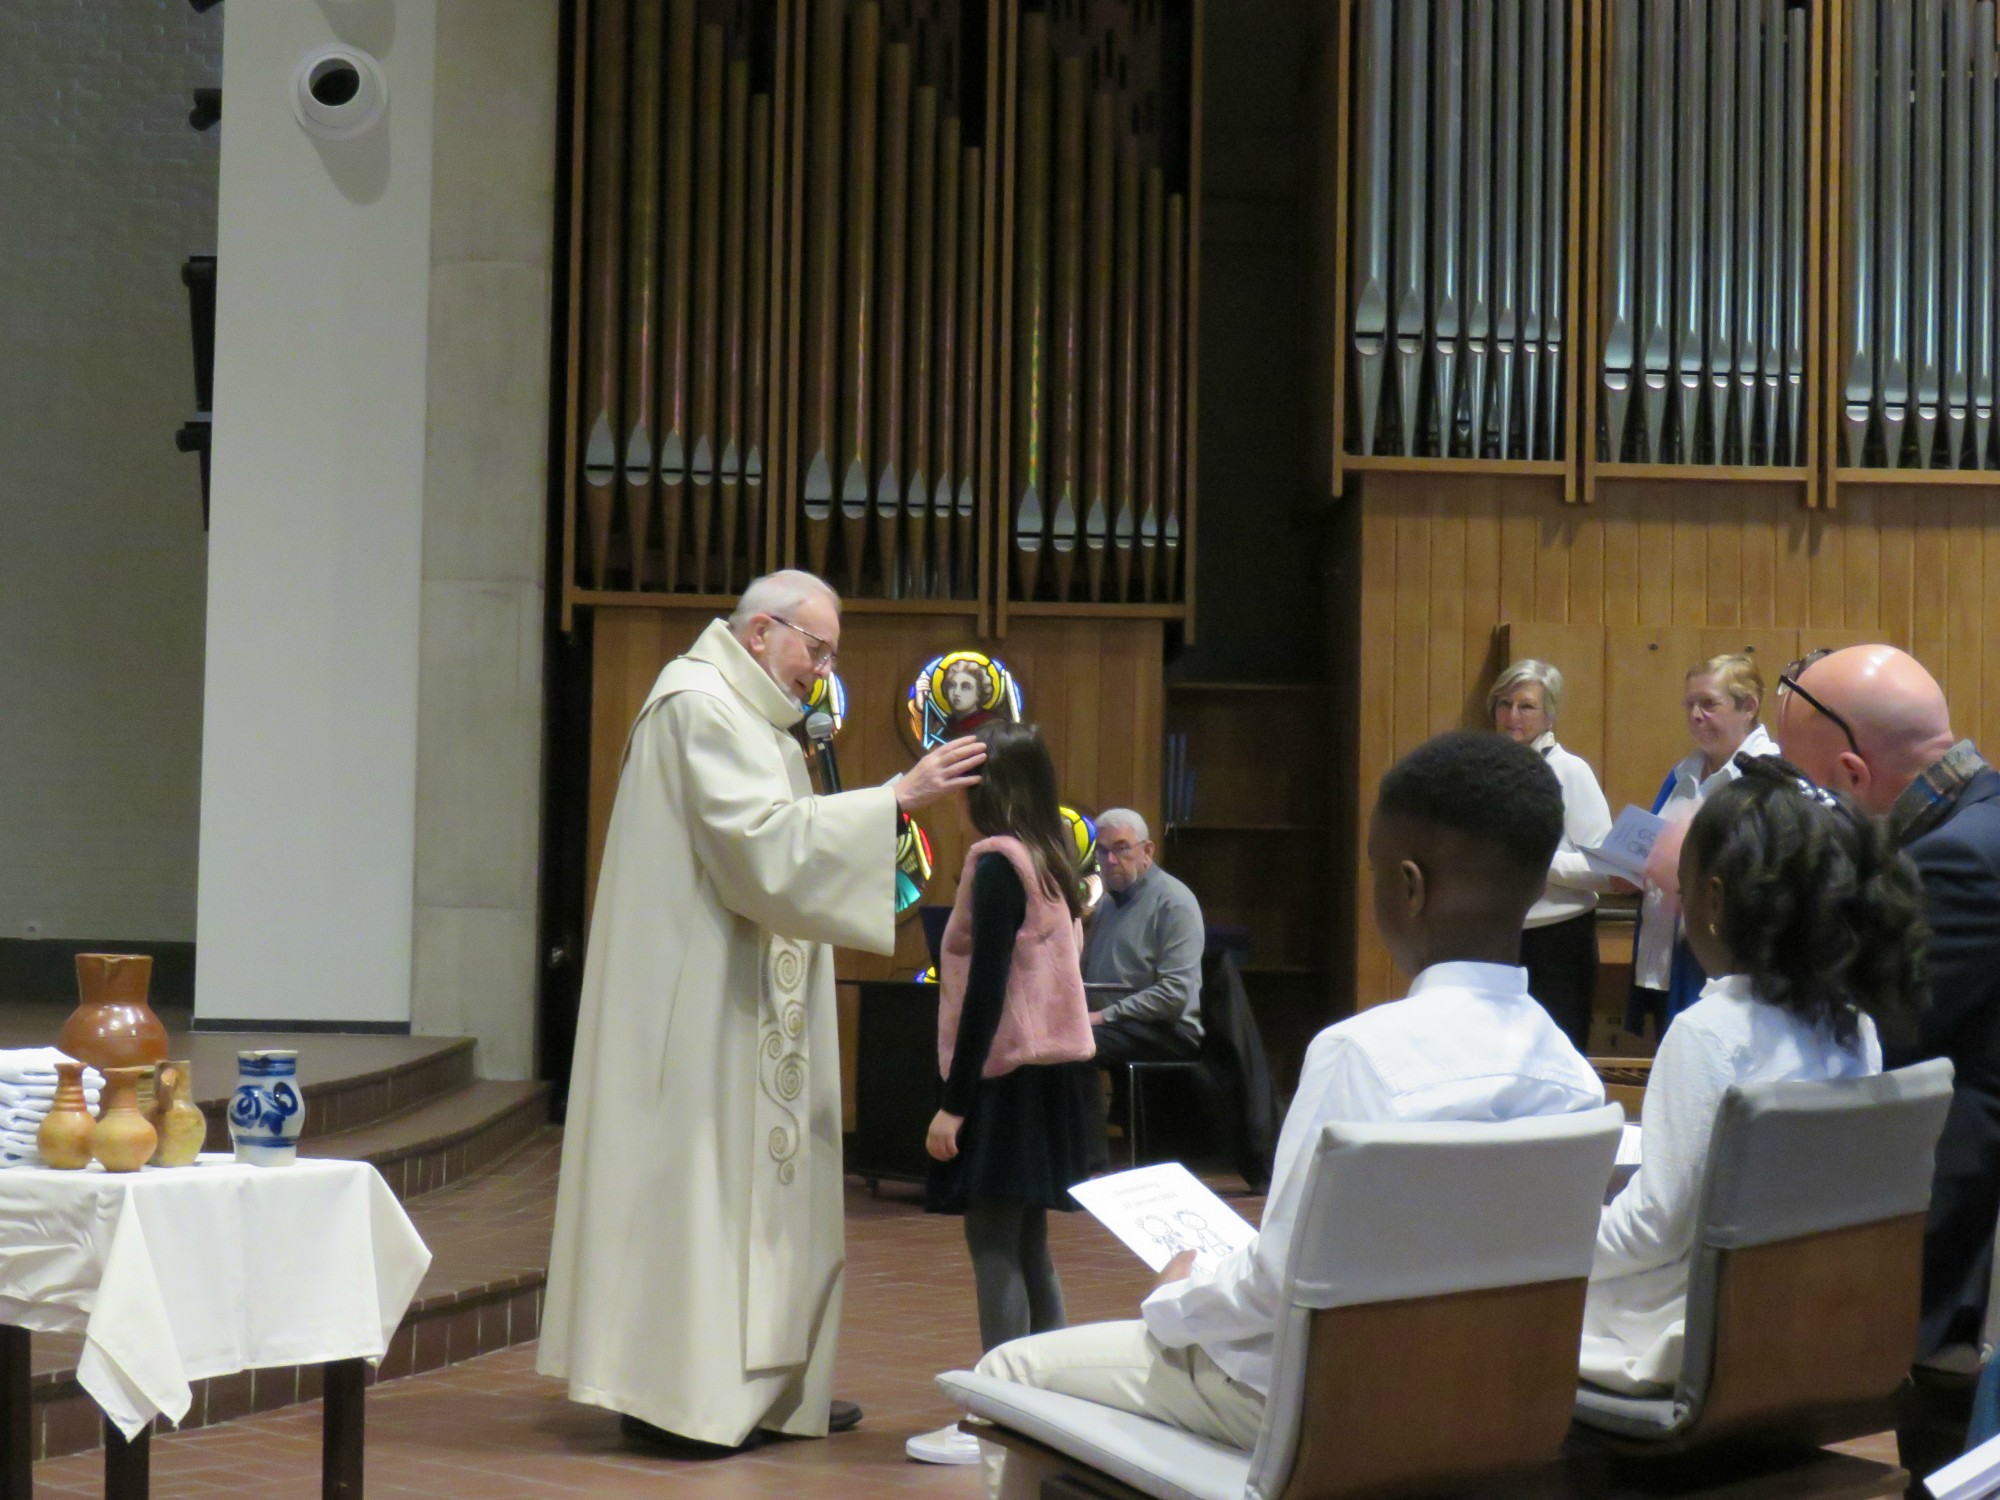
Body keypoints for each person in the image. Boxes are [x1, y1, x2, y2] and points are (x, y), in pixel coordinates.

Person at [966, 732, 1605, 1485]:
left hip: (1312, 1403)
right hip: (1481, 1405)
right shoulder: (1575, 1078)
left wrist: (1178, 1295)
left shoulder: (1360, 1054)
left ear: (1407, 886)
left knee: (1007, 1369)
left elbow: (1280, 1286)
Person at [539, 571, 986, 1453]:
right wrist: (894, 798)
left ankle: (769, 1391)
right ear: (758, 633)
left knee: (756, 1191)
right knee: (699, 1189)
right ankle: (679, 1401)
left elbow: (780, 834)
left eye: (829, 655)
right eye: (813, 649)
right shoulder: (699, 707)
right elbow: (756, 846)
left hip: (743, 985)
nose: (820, 672)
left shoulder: (753, 714)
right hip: (698, 1003)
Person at [1579, 757, 1925, 1394]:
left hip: (1685, 1335)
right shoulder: (1854, 1026)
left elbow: (1655, 1226)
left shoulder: (1709, 1032)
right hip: (1803, 1321)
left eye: (1680, 894)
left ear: (1712, 899)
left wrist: (1557, 1243)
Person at [1776, 647, 2000, 1368]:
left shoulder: (1954, 859)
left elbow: (1873, 1038)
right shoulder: (1982, 818)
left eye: (1804, 787)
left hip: (1955, 1231)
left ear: (1850, 776)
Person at [907, 722, 1102, 1467]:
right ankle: (1051, 1409)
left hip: (1003, 1079)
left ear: (992, 788)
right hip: (1053, 1078)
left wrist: (953, 1102)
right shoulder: (1052, 858)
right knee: (1030, 1244)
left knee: (992, 1242)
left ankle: (1003, 1417)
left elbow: (985, 990)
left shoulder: (996, 865)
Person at [1629, 654, 1781, 1035]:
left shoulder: (1769, 774)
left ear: (1749, 706)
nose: (1696, 715)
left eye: (1709, 704)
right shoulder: (1683, 773)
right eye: (1690, 705)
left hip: (1727, 956)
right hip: (1671, 949)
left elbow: (1768, 866)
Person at [1490, 658, 1615, 1051]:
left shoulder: (1570, 772)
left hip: (1558, 942)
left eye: (1526, 706)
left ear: (1550, 716)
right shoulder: (1490, 772)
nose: (1512, 716)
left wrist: (1540, 860)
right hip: (1499, 940)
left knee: (1555, 1054)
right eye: (1504, 704)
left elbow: (1605, 869)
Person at [1080, 809, 1205, 1065]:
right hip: (1118, 1024)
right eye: (1103, 851)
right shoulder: (1106, 903)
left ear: (1147, 852)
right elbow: (1086, 973)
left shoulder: (1174, 902)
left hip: (1167, 1031)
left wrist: (1102, 1016)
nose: (1111, 860)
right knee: (1045, 1041)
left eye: (1122, 848)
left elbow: (1174, 994)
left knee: (1069, 1048)